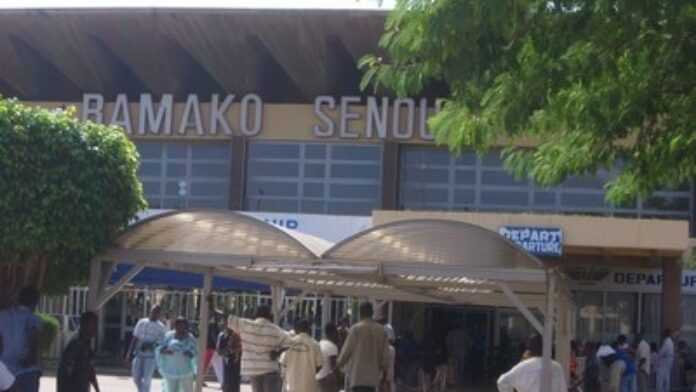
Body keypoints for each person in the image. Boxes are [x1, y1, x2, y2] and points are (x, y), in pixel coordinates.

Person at [228, 305, 292, 392]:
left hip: (253, 371)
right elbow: (292, 342)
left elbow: (228, 318)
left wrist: (212, 306)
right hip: (270, 370)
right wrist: (278, 353)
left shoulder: (246, 325)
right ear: (269, 315)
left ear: (256, 314)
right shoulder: (275, 330)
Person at [335, 302, 390, 392]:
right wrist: (383, 376)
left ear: (360, 313)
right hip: (373, 378)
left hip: (357, 377)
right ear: (372, 313)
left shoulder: (355, 329)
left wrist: (338, 365)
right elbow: (386, 357)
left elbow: (346, 352)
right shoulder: (381, 330)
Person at [0, 286, 42, 392]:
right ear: (35, 302)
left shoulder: (2, 315)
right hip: (26, 371)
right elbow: (34, 341)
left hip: (4, 370)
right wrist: (32, 360)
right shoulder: (33, 319)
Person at [496, 333, 567, 392]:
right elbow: (563, 389)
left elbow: (502, 381)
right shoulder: (557, 367)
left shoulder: (522, 366)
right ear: (546, 347)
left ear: (530, 349)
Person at [126, 305, 167, 392]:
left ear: (159, 314)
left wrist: (150, 345)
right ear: (150, 311)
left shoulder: (161, 327)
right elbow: (135, 337)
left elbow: (162, 343)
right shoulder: (141, 322)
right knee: (136, 378)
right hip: (138, 354)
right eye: (153, 311)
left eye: (157, 312)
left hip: (151, 356)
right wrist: (128, 353)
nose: (154, 313)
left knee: (146, 380)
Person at [56, 312, 100, 392]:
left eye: (96, 325)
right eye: (93, 325)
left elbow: (90, 369)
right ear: (84, 324)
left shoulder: (86, 343)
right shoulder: (76, 343)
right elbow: (65, 371)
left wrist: (97, 389)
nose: (95, 328)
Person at [280, 319, 322, 392]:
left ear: (296, 330)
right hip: (309, 385)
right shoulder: (315, 345)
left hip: (292, 384)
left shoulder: (289, 343)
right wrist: (310, 372)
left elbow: (283, 363)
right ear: (309, 329)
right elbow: (319, 365)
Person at [156, 317, 198, 392]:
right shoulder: (169, 336)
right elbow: (160, 349)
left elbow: (195, 353)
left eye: (183, 325)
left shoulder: (190, 337)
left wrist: (189, 353)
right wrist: (167, 351)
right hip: (171, 371)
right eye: (179, 325)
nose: (181, 327)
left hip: (186, 371)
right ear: (176, 325)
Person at [445, 320, 470, 386]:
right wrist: (466, 350)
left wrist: (449, 351)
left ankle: (453, 381)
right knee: (460, 367)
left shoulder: (450, 333)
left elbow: (447, 343)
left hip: (453, 352)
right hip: (462, 352)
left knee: (453, 368)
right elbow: (468, 342)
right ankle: (459, 381)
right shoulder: (464, 333)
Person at [317, 323, 340, 392]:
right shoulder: (332, 346)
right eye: (336, 333)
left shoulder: (320, 343)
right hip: (325, 380)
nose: (338, 335)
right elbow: (334, 367)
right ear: (332, 333)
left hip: (317, 379)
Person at [217, 326, 241, 392]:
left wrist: (234, 350)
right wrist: (227, 351)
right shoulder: (222, 336)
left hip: (236, 363)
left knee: (234, 383)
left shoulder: (238, 335)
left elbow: (241, 348)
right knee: (227, 382)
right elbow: (219, 351)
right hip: (227, 362)